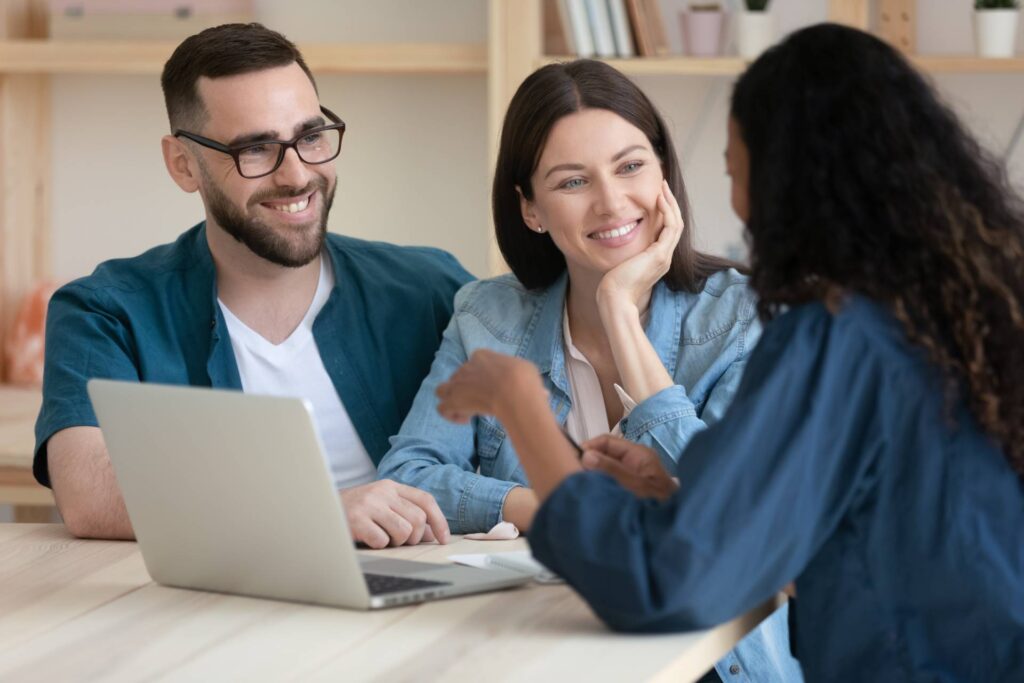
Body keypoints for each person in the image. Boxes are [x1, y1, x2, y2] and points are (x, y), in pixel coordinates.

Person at [434, 23, 1024, 681]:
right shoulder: (961, 312)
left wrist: (521, 405)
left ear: (788, 185)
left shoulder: (832, 336)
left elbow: (664, 585)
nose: (738, 204)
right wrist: (676, 494)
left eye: (736, 173)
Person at [380, 60, 801, 682]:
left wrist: (619, 313)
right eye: (573, 181)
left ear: (663, 174)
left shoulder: (745, 316)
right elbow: (410, 476)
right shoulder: (487, 316)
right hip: (549, 647)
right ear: (531, 210)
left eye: (631, 166)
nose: (611, 202)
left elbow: (739, 518)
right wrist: (547, 504)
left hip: (714, 662)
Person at [33, 23, 471, 549]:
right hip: (210, 615)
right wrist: (315, 513)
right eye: (257, 148)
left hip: (418, 605)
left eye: (310, 137)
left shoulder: (432, 291)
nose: (296, 175)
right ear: (183, 165)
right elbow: (88, 493)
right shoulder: (105, 312)